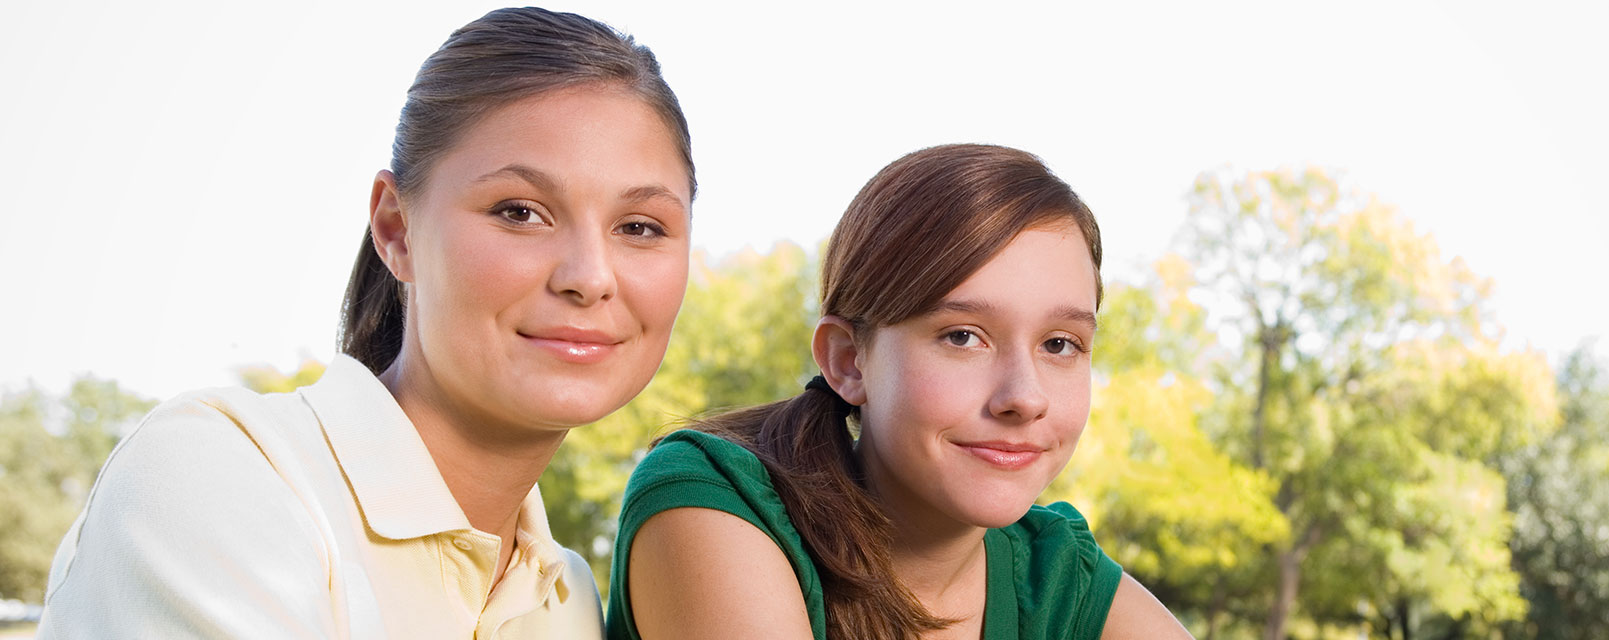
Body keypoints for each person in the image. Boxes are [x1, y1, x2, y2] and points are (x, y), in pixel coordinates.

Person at [38, 7, 695, 637]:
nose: (588, 276)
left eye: (640, 227)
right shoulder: (221, 474)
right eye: (519, 211)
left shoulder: (566, 596)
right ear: (396, 229)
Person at [608, 143, 1189, 639]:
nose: (1025, 397)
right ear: (848, 361)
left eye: (1060, 344)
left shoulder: (1057, 574)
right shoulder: (714, 501)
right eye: (963, 337)